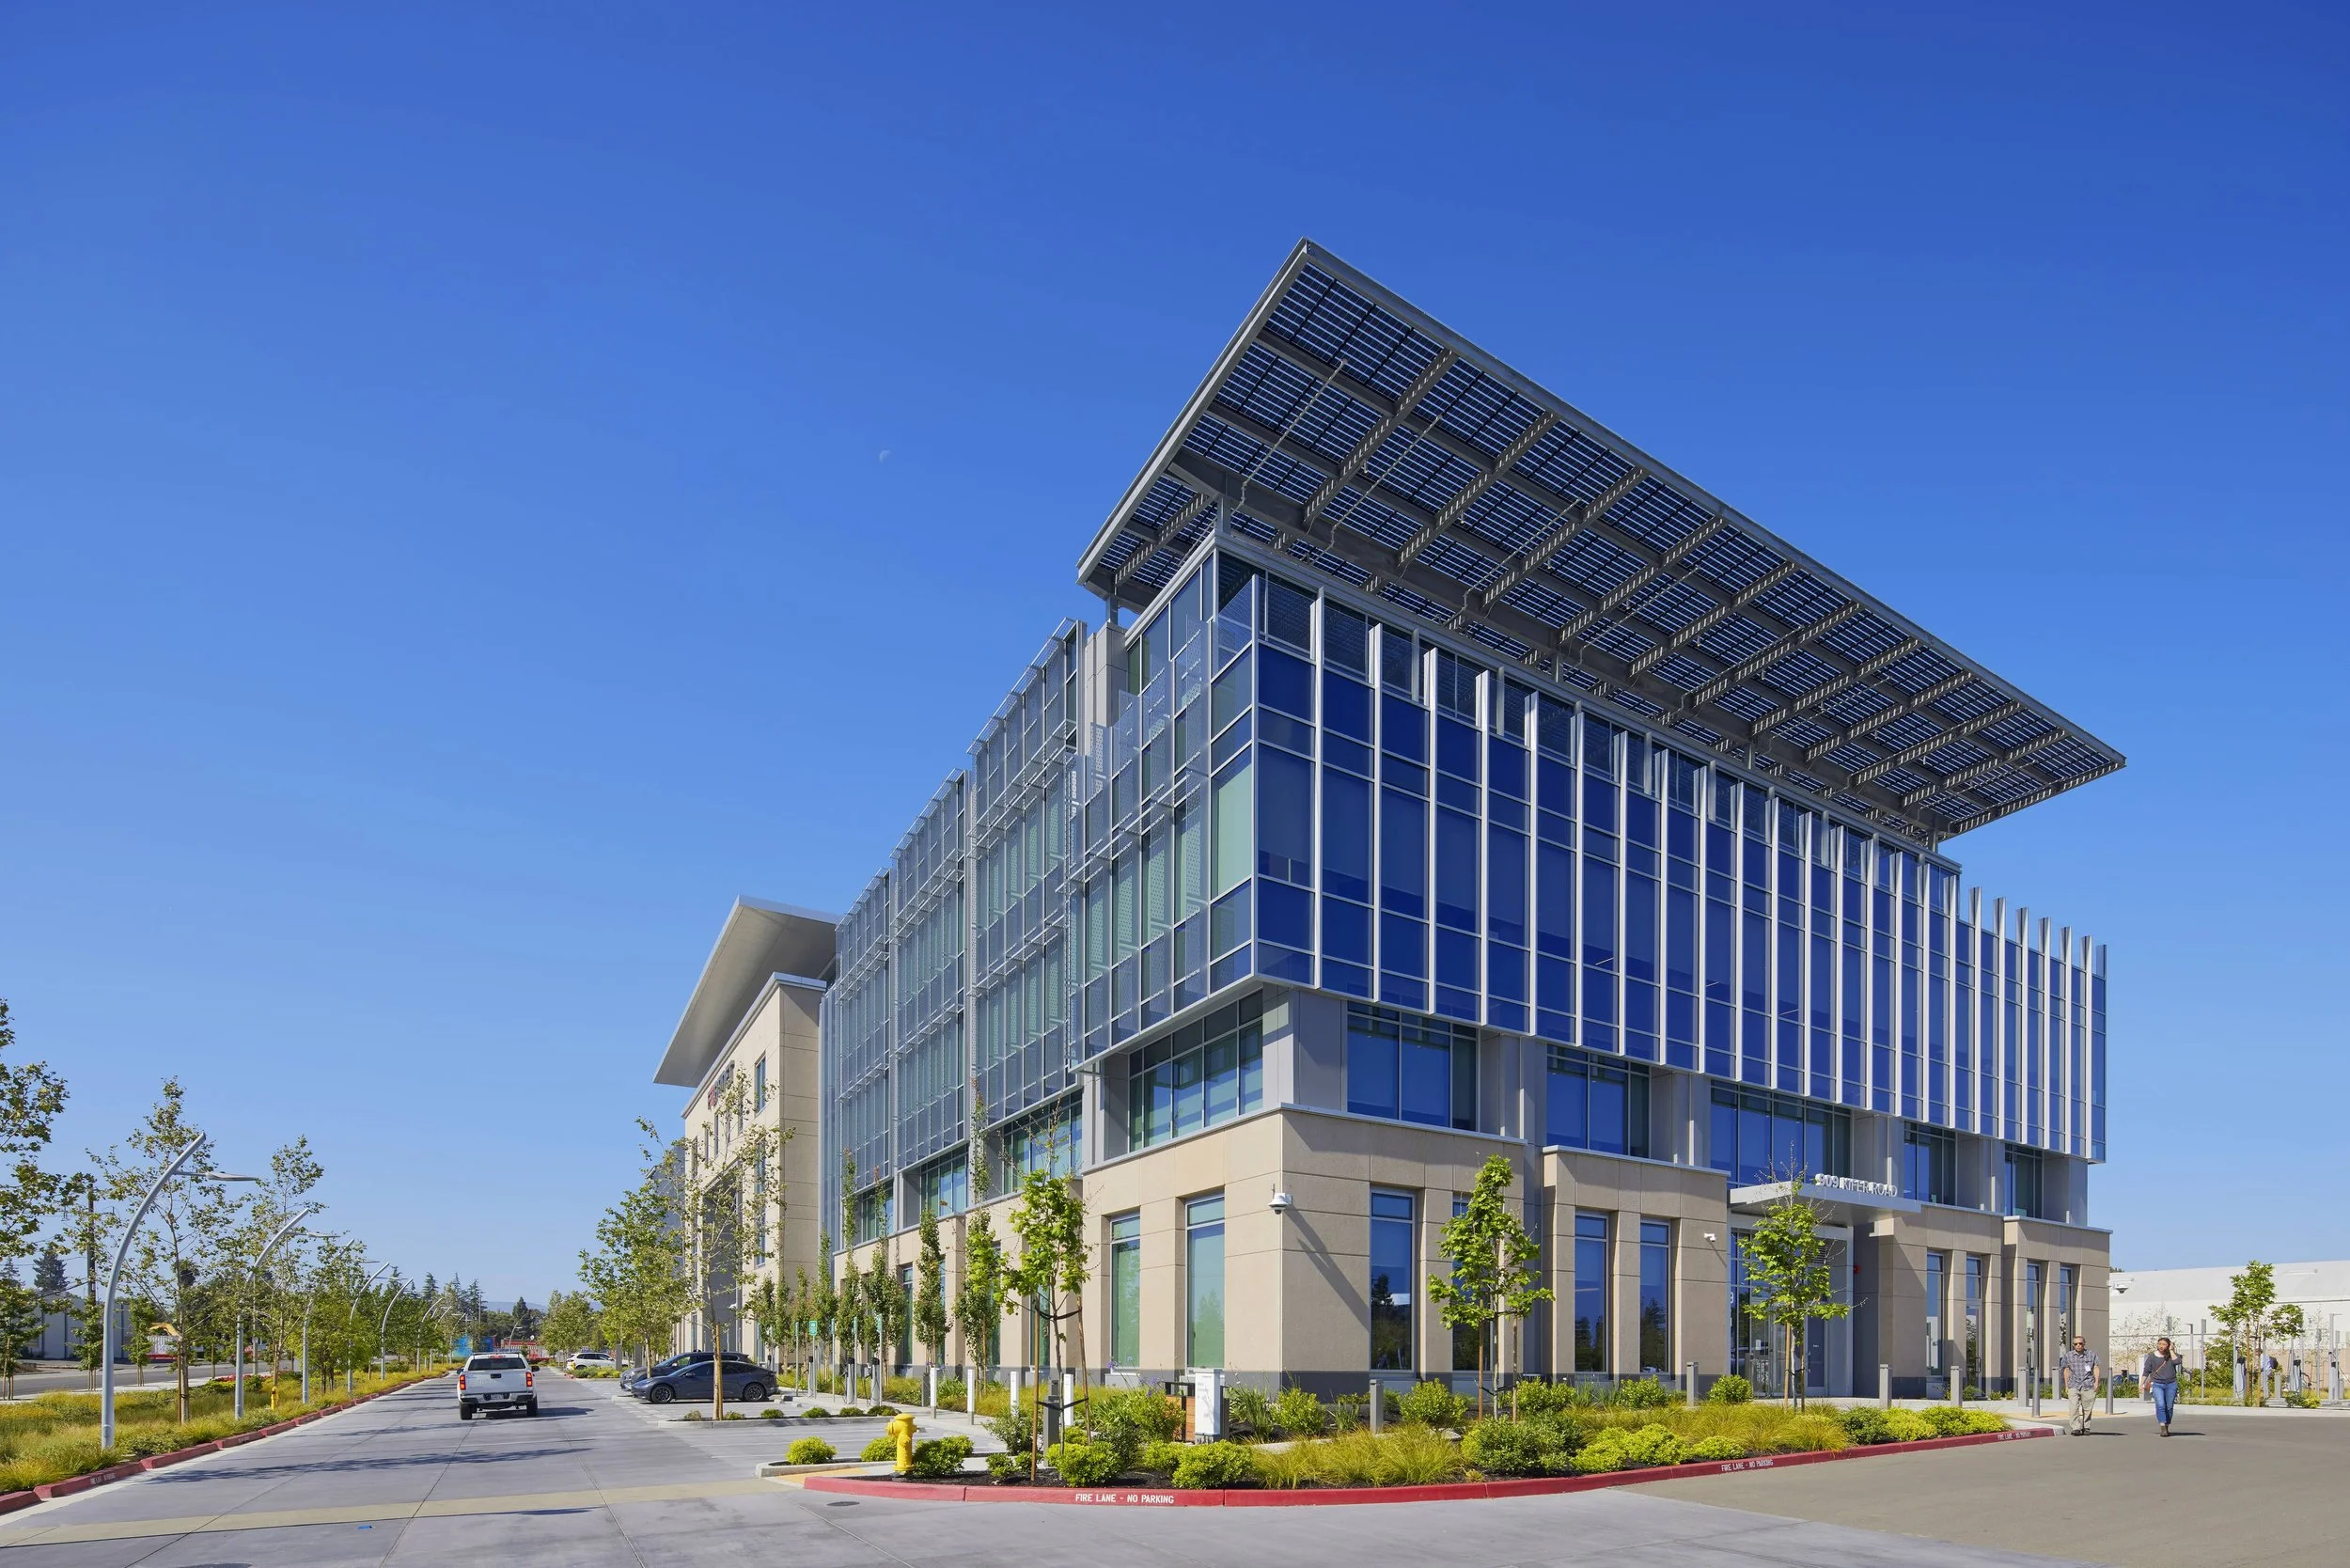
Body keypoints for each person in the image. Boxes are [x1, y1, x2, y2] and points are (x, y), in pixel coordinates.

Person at [2059, 1335, 2100, 1435]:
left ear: (2084, 1344)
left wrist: (2096, 1382)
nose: (2078, 1345)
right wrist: (2067, 1385)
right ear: (2073, 1345)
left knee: (2087, 1408)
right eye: (2076, 1344)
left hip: (2088, 1384)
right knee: (2073, 1407)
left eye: (2080, 1343)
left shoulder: (2091, 1354)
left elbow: (2096, 1368)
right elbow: (2066, 1370)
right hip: (2074, 1384)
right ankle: (2075, 1428)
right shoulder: (2068, 1356)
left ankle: (2086, 1427)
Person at [2142, 1337, 2182, 1435]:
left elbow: (2177, 1362)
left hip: (2171, 1384)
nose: (2161, 1346)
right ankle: (2163, 1426)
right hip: (2157, 1384)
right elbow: (2146, 1370)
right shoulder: (2152, 1357)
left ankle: (2167, 1425)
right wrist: (2141, 1383)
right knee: (2160, 1405)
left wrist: (2172, 1350)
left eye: (2164, 1344)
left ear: (2168, 1345)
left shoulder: (2172, 1356)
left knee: (2169, 1406)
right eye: (2159, 1344)